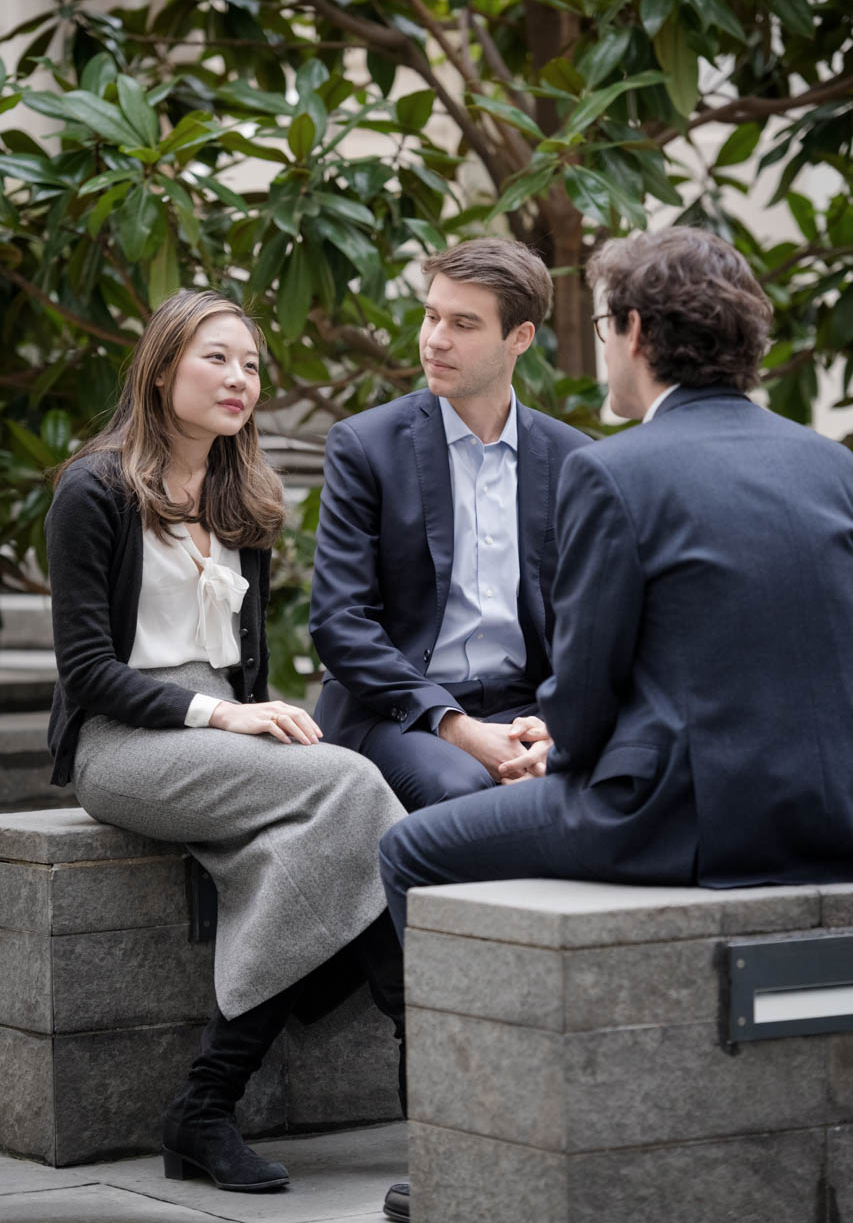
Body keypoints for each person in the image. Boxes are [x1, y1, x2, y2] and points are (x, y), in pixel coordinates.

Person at [377, 225, 853, 1221]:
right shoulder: (829, 463)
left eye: (600, 324)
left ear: (634, 330)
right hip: (829, 808)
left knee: (412, 849)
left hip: (683, 814)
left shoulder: (613, 470)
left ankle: (454, 1148)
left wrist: (557, 739)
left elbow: (585, 703)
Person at [45, 290, 407, 1194]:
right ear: (163, 366)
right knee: (354, 790)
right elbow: (88, 670)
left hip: (215, 739)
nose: (239, 378)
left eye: (250, 364)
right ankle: (425, 1051)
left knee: (316, 834)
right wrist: (225, 718)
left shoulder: (239, 496)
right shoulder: (93, 490)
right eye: (217, 358)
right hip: (124, 742)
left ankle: (202, 1110)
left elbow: (237, 669)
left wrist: (256, 708)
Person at [309, 238, 591, 812]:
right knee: (463, 791)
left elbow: (591, 626)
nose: (435, 339)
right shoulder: (366, 447)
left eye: (463, 323)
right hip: (398, 711)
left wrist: (558, 728)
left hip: (528, 708)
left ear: (520, 337)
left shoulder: (575, 460)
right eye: (431, 315)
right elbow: (340, 621)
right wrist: (457, 727)